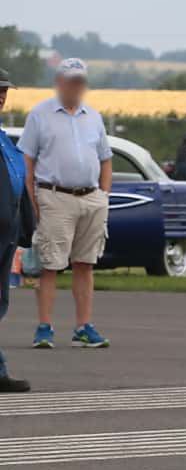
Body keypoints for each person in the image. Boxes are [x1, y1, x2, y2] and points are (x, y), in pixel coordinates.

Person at [19, 58, 111, 349]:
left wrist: (104, 196)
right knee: (50, 264)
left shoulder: (93, 117)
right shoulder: (40, 115)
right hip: (54, 195)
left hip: (91, 198)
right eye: (70, 80)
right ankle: (44, 327)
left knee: (85, 264)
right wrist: (32, 199)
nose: (76, 86)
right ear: (59, 82)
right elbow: (27, 160)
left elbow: (105, 158)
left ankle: (83, 327)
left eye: (80, 81)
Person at [0, 69, 32, 391]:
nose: (1, 95)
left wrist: (28, 224)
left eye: (4, 90)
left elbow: (15, 180)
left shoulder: (3, 138)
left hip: (7, 232)